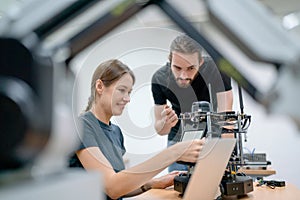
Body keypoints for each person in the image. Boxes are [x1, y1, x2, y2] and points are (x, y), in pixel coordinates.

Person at [69, 59, 205, 200]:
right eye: (122, 90)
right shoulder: (82, 126)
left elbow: (120, 186)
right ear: (99, 86)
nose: (127, 99)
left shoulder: (116, 132)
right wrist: (174, 152)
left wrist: (153, 183)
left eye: (129, 92)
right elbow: (112, 188)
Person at [151, 34, 233, 172]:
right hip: (178, 139)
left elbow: (226, 118)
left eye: (190, 68)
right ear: (170, 61)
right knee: (176, 187)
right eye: (177, 68)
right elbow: (161, 130)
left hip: (212, 137)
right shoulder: (159, 78)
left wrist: (226, 154)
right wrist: (166, 123)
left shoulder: (217, 70)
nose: (183, 76)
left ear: (200, 62)